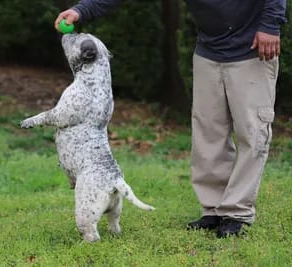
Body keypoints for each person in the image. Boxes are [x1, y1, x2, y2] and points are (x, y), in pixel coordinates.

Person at [54, 0, 287, 238]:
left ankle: (237, 213)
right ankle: (214, 210)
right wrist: (81, 10)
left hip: (252, 49)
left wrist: (270, 25)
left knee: (252, 134)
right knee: (208, 133)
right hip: (209, 51)